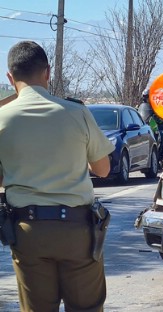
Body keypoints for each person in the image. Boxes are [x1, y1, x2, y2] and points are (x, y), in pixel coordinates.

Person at [0, 41, 114, 311]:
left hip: (28, 232)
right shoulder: (77, 112)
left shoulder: (2, 119)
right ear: (47, 73)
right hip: (77, 231)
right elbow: (103, 169)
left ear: (10, 77)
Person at [139, 90, 163, 168]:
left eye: (148, 97)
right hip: (146, 125)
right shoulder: (141, 106)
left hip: (156, 126)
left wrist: (159, 118)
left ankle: (161, 155)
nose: (147, 99)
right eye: (146, 97)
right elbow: (139, 114)